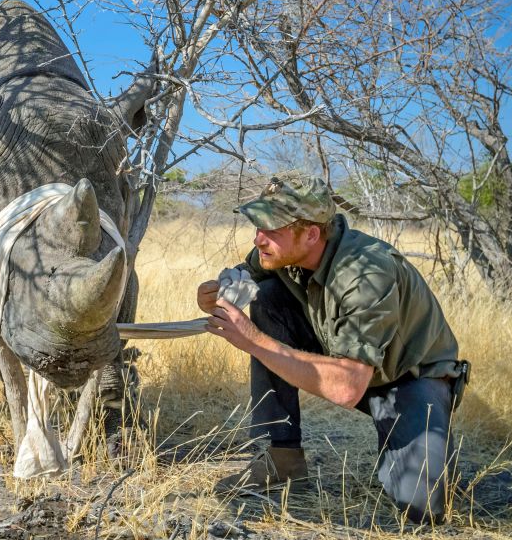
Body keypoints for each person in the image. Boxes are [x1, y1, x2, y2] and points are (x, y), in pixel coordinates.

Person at [197, 174, 468, 524]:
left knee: (422, 509)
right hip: (346, 359)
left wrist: (252, 339)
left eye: (271, 229)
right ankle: (284, 459)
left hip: (409, 377)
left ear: (311, 233)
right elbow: (245, 275)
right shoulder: (283, 250)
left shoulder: (367, 274)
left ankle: (431, 438)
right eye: (257, 226)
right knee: (265, 297)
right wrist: (215, 292)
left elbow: (345, 388)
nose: (258, 238)